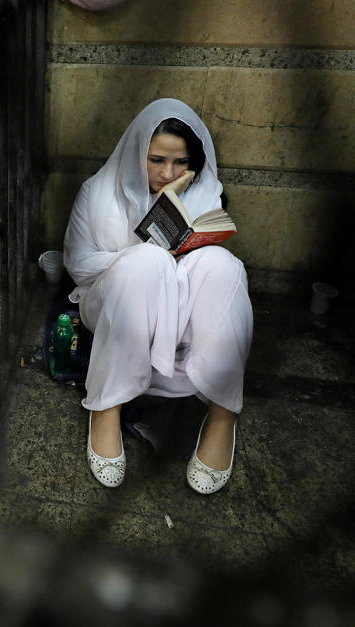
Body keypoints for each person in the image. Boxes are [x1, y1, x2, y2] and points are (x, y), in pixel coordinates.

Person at [63, 98, 253, 494]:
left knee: (223, 266)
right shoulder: (98, 192)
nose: (168, 173)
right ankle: (106, 408)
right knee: (145, 262)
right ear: (136, 152)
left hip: (179, 307)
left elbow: (203, 268)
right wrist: (149, 254)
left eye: (180, 162)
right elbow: (79, 264)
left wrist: (182, 252)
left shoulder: (205, 193)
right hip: (116, 300)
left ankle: (221, 414)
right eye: (156, 160)